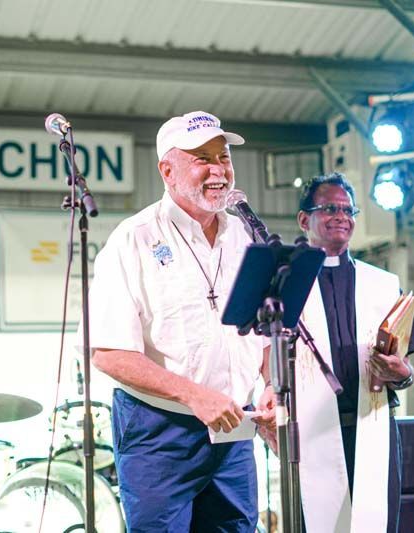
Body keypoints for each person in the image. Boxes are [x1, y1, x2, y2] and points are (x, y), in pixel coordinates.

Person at [87, 110, 275, 532]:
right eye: (202, 158)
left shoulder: (246, 236)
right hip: (159, 433)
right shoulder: (132, 239)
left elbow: (264, 332)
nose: (218, 170)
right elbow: (109, 353)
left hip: (233, 430)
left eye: (223, 157)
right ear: (167, 170)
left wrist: (272, 386)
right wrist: (194, 396)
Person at [291, 172, 414, 533]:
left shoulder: (382, 283)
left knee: (377, 523)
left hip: (374, 427)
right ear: (305, 219)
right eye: (330, 208)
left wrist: (402, 373)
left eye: (349, 210)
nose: (342, 216)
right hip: (312, 432)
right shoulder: (286, 281)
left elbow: (407, 368)